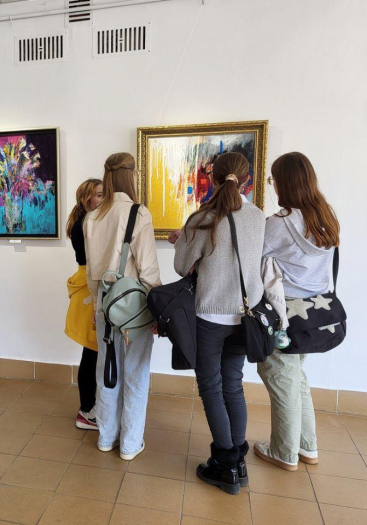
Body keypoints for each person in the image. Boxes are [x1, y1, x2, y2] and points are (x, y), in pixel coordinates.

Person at [171, 152, 265, 495]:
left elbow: (182, 265)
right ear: (247, 180)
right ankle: (238, 462)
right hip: (245, 315)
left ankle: (225, 466)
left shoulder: (203, 217)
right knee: (233, 385)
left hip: (210, 316)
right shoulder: (258, 216)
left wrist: (183, 241)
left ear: (212, 178)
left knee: (211, 387)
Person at [254, 152, 340, 471]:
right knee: (296, 377)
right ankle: (307, 445)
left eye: (273, 179)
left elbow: (252, 257)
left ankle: (284, 452)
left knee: (280, 377)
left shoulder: (280, 223)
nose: (273, 185)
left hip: (282, 311)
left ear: (284, 183)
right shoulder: (325, 217)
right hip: (313, 312)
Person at [84, 153, 161, 460]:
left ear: (107, 176)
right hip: (135, 310)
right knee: (136, 374)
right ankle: (129, 444)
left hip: (105, 307)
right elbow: (149, 270)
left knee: (106, 371)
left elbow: (92, 272)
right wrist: (157, 311)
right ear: (131, 175)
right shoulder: (138, 213)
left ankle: (106, 437)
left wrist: (97, 307)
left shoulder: (93, 217)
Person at [65, 178, 103, 430]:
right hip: (90, 287)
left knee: (93, 352)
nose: (103, 199)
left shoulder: (85, 222)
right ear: (85, 199)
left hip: (89, 283)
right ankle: (86, 411)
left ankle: (90, 407)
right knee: (91, 352)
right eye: (99, 195)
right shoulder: (85, 225)